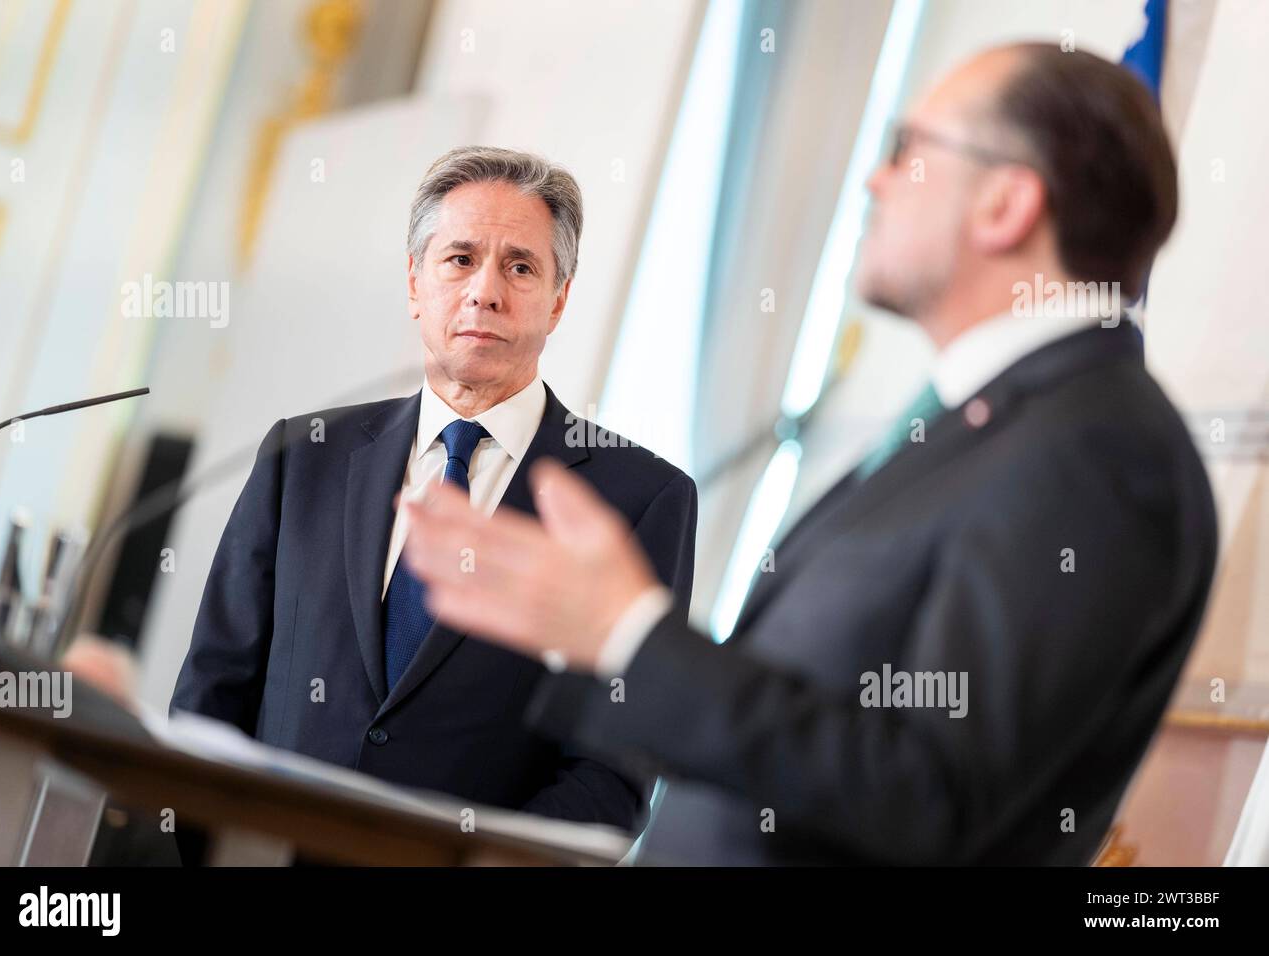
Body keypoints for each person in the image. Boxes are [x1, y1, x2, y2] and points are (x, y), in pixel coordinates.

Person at [402, 45, 1218, 864]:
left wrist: (631, 636)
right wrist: (598, 638)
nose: (875, 181)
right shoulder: (986, 421)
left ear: (1005, 203)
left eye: (908, 151)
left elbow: (928, 795)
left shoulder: (1097, 452)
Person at [172, 146, 697, 833]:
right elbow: (211, 692)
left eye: (520, 267)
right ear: (415, 282)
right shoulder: (303, 458)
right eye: (459, 259)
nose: (485, 290)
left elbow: (613, 772)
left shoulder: (639, 499)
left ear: (559, 300)